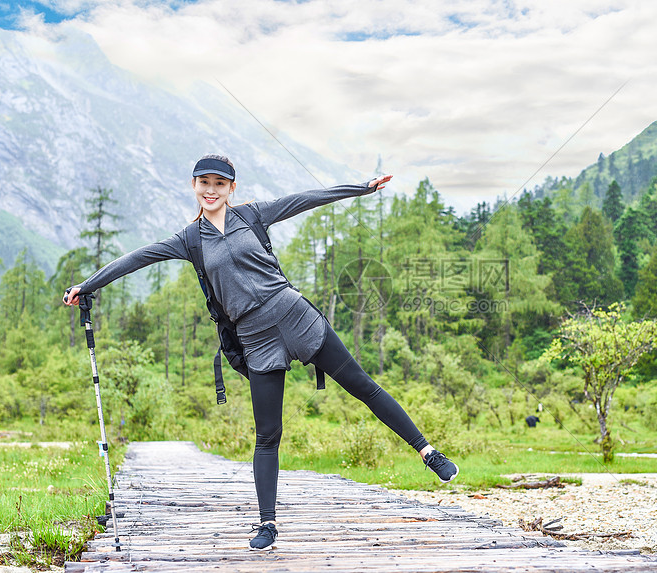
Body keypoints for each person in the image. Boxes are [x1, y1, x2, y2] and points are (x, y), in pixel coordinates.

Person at [63, 154, 459, 551]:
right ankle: (267, 525)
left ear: (232, 188)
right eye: (205, 183)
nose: (211, 190)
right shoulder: (189, 239)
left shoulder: (252, 215)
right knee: (267, 434)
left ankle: (428, 452)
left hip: (294, 314)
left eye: (220, 184)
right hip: (255, 336)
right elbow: (138, 257)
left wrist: (362, 187)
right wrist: (88, 284)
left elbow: (307, 198)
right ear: (194, 186)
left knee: (362, 386)